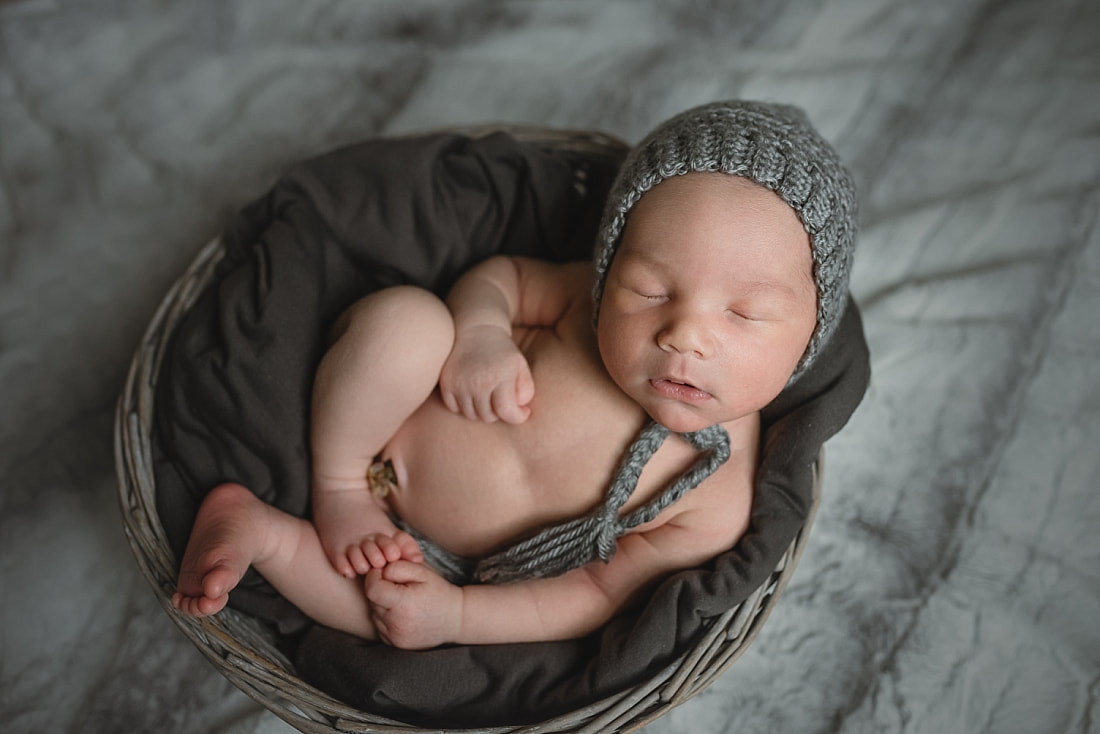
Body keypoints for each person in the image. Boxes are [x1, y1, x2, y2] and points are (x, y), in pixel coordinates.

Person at [171, 100, 858, 650]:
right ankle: (335, 483)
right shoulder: (581, 300)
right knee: (408, 326)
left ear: (809, 338)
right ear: (610, 265)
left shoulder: (716, 502)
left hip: (438, 566)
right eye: (649, 289)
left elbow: (593, 595)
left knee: (384, 619)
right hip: (374, 432)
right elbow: (500, 278)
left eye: (746, 313)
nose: (685, 334)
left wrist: (458, 618)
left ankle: (259, 533)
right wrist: (479, 336)